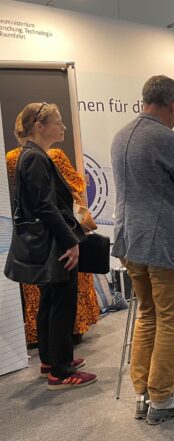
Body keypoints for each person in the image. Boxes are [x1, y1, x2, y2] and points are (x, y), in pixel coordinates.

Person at [111, 75, 174, 424]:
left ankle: (143, 392)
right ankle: (163, 396)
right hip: (166, 246)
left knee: (148, 315)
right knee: (171, 322)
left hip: (131, 243)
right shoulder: (172, 141)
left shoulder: (121, 136)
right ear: (173, 105)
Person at [6, 102, 96, 389]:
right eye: (57, 122)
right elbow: (46, 207)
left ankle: (50, 359)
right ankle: (60, 370)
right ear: (39, 126)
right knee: (61, 304)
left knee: (50, 301)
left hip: (47, 241)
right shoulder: (35, 157)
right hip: (54, 241)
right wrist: (70, 242)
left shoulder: (30, 155)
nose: (63, 127)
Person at [6, 146, 101, 350]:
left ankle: (46, 350)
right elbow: (75, 185)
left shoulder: (12, 157)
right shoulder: (53, 155)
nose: (62, 130)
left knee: (43, 299)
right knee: (64, 294)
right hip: (60, 229)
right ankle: (64, 351)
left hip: (34, 237)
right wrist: (71, 240)